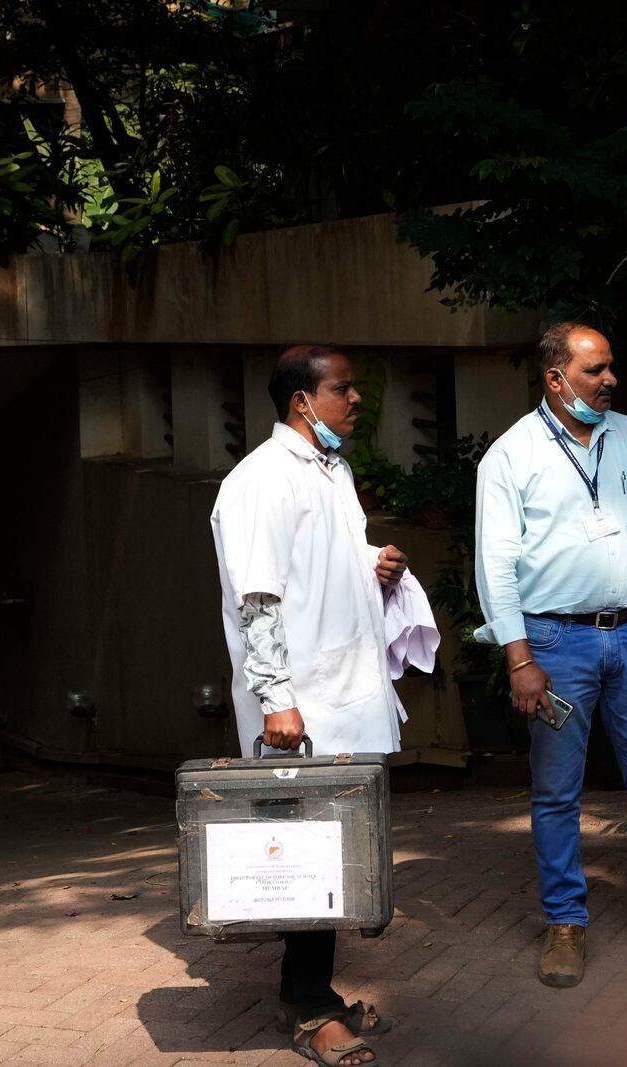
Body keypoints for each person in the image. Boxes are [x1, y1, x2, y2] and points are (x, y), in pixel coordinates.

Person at [474, 323, 627, 988]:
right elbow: (496, 566)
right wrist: (519, 658)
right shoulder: (511, 456)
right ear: (554, 378)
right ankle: (565, 925)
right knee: (554, 793)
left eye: (611, 368)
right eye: (595, 370)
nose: (611, 380)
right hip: (553, 642)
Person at [210, 344, 413, 1066]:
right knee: (304, 851)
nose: (355, 400)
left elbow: (320, 567)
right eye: (344, 388)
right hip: (300, 706)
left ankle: (313, 991)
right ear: (303, 400)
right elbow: (258, 596)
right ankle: (311, 1008)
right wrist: (277, 700)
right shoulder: (261, 479)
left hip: (343, 692)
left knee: (335, 850)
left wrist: (373, 564)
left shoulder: (332, 470)